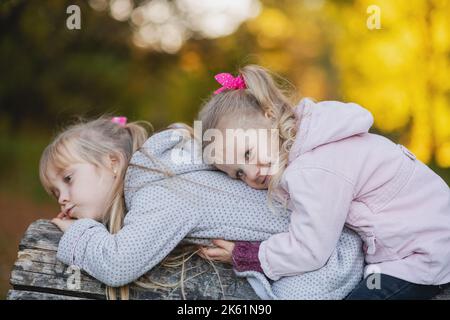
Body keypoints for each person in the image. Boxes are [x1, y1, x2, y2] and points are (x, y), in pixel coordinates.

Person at [39, 115, 364, 300]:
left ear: (112, 162)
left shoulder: (157, 188)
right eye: (56, 192)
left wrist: (77, 231)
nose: (63, 199)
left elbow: (118, 264)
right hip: (322, 240)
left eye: (68, 179)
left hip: (324, 259)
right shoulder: (168, 163)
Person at [197, 64, 450, 299]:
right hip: (429, 232)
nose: (250, 174)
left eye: (248, 153)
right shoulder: (316, 130)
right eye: (238, 173)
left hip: (422, 253)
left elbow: (310, 250)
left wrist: (250, 256)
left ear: (270, 116)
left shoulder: (313, 169)